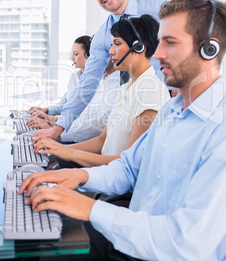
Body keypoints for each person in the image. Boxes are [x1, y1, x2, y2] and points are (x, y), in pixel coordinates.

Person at [0, 0, 226, 261]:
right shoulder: (173, 110)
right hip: (128, 237)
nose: (158, 53)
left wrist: (89, 208)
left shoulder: (222, 130)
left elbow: (188, 242)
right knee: (11, 248)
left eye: (170, 42)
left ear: (209, 48)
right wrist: (74, 176)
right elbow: (128, 168)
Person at [37, 0, 175, 140]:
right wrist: (58, 128)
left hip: (177, 94)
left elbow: (197, 35)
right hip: (137, 105)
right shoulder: (103, 36)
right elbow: (88, 82)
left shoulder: (161, 4)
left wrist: (184, 81)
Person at [33, 15, 170, 168]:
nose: (111, 51)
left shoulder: (150, 92)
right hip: (106, 176)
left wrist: (68, 153)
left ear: (139, 46)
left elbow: (131, 164)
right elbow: (103, 140)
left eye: (117, 44)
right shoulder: (125, 88)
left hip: (119, 186)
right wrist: (60, 149)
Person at [27, 35, 91, 130]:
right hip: (64, 127)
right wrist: (46, 110)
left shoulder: (94, 83)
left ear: (88, 55)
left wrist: (54, 119)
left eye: (76, 54)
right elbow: (65, 104)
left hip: (75, 132)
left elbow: (82, 114)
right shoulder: (74, 77)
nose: (72, 58)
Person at [60, 59, 120, 144]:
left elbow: (100, 124)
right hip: (83, 138)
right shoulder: (101, 81)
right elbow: (84, 116)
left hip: (92, 143)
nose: (93, 58)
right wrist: (57, 126)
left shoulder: (121, 84)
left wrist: (59, 133)